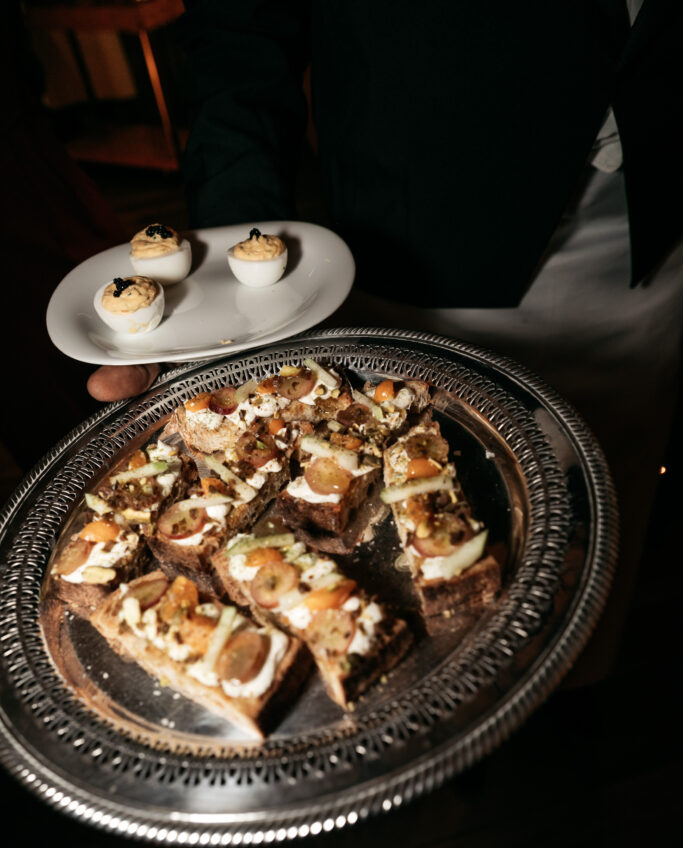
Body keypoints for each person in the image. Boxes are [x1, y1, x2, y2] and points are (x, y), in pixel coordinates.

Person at [87, 0, 683, 679]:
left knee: (599, 536)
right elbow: (240, 29)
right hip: (414, 241)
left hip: (649, 239)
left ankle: (572, 699)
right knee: (420, 651)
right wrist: (233, 289)